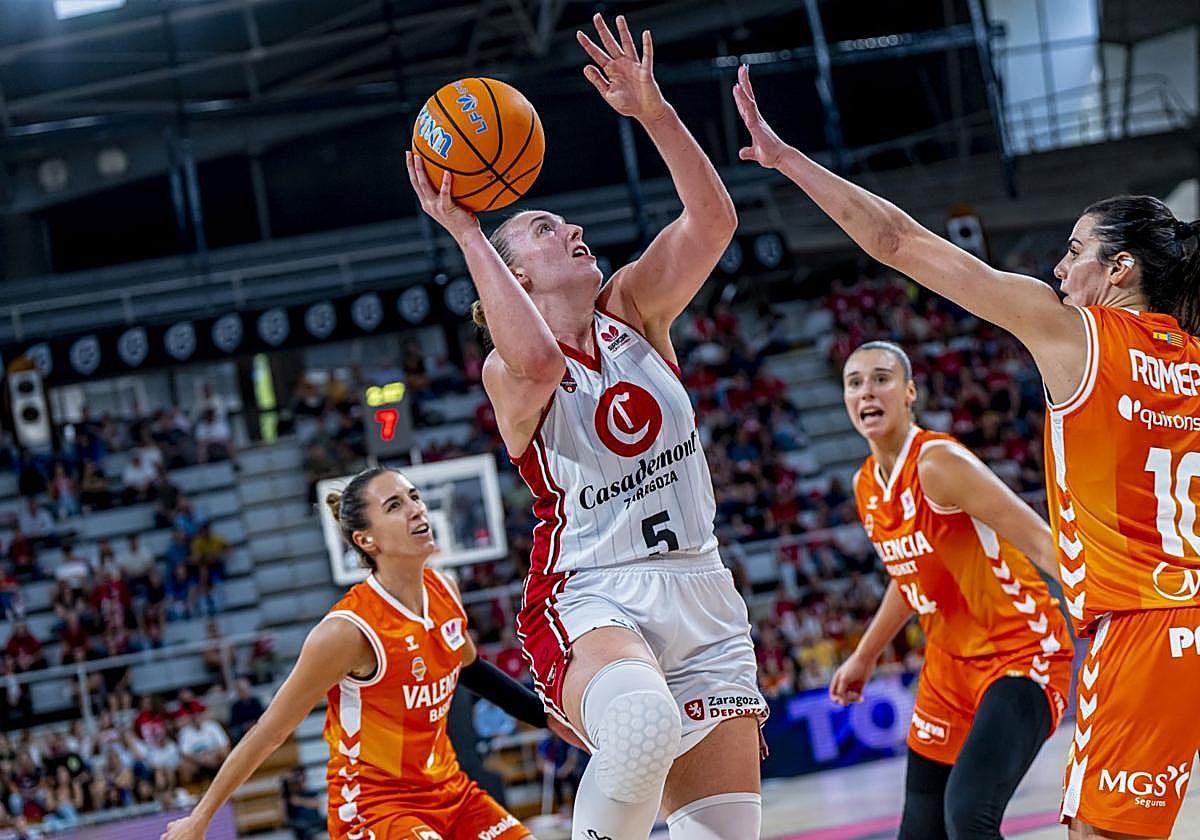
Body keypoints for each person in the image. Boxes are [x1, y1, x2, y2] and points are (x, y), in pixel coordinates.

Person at [732, 65, 1200, 840]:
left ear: (1119, 269)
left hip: (1138, 625)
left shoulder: (1071, 331)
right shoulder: (1189, 355)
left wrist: (787, 161)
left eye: (1074, 250)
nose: (1058, 267)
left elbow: (897, 241)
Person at [406, 14, 764, 840]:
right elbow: (535, 361)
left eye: (562, 222)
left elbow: (713, 223)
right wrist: (465, 229)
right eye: (542, 228)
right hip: (593, 590)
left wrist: (653, 112)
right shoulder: (508, 369)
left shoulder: (635, 310)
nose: (570, 228)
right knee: (641, 728)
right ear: (515, 274)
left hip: (702, 588)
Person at [161, 467, 567, 840]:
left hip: (451, 790)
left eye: (414, 496)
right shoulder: (347, 632)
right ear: (365, 539)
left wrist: (548, 718)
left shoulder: (446, 590)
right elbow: (270, 732)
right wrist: (201, 816)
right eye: (395, 505)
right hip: (375, 807)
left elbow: (472, 669)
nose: (415, 509)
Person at [828, 341, 1073, 839]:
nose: (866, 392)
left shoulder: (936, 462)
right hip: (948, 668)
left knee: (967, 814)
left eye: (881, 379)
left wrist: (1111, 610)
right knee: (920, 832)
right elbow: (910, 576)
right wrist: (865, 655)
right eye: (854, 383)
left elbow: (1041, 541)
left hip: (1020, 652)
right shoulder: (866, 486)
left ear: (910, 392)